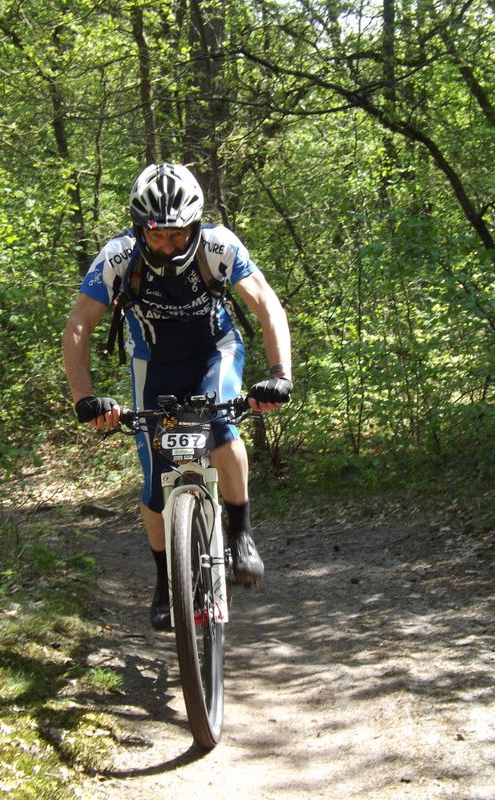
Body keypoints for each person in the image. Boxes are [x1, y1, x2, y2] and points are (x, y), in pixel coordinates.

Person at [63, 162, 292, 632]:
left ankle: (241, 532)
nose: (168, 244)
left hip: (214, 351)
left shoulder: (218, 245)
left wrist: (279, 375)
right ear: (139, 228)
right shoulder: (118, 256)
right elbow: (79, 324)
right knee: (154, 483)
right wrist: (84, 397)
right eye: (157, 234)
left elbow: (267, 304)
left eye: (178, 234)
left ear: (195, 225)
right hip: (154, 364)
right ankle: (166, 581)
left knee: (220, 427)